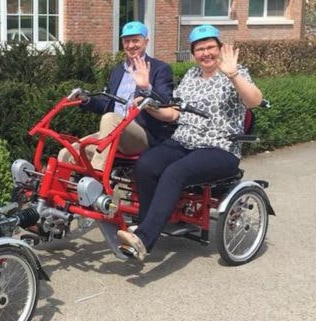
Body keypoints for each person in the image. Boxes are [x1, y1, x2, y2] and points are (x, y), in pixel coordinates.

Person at [116, 24, 263, 261]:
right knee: (146, 164)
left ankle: (144, 238)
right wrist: (148, 101)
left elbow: (254, 100)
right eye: (200, 49)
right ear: (193, 54)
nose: (206, 54)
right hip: (184, 141)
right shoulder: (191, 76)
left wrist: (233, 74)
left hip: (219, 147)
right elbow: (173, 114)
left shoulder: (236, 73)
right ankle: (146, 224)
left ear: (220, 48)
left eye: (210, 48)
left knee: (175, 172)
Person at [58, 21, 174, 170]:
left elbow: (165, 102)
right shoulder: (117, 71)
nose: (131, 45)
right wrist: (86, 100)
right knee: (67, 153)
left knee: (110, 118)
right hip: (111, 132)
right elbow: (107, 104)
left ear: (146, 41)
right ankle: (61, 192)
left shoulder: (160, 69)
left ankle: (97, 179)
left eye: (135, 40)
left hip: (143, 134)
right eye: (127, 41)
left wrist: (146, 87)